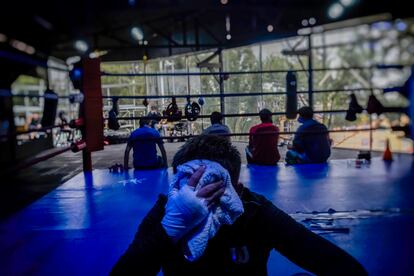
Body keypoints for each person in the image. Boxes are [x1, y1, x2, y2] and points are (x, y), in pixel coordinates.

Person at [111, 135, 367, 275]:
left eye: (213, 191)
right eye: (193, 188)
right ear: (177, 187)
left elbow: (339, 265)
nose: (203, 200)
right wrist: (169, 229)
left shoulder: (254, 211)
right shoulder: (168, 210)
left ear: (238, 190)